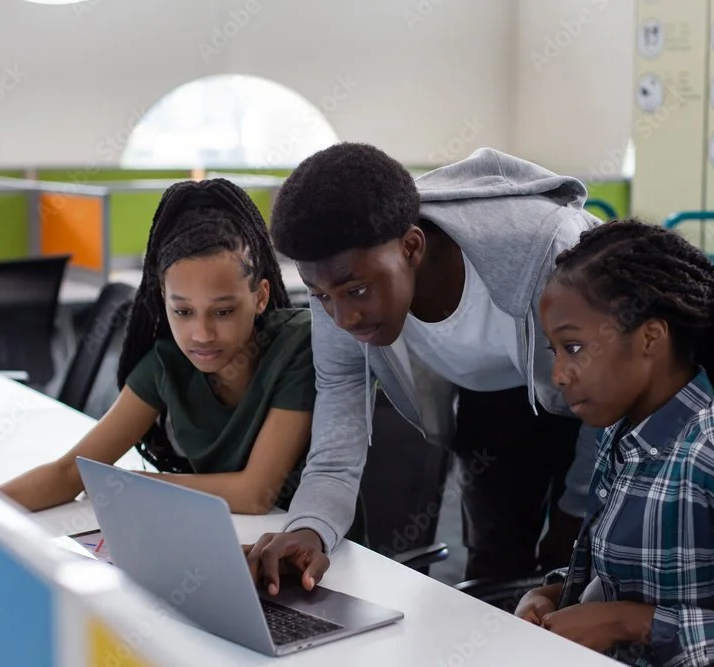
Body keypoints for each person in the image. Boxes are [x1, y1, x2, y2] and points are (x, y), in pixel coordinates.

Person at [244, 142, 604, 593]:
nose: (343, 319)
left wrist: (576, 511)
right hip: (491, 394)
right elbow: (338, 443)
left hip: (594, 396)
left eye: (356, 291)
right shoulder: (334, 278)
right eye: (320, 296)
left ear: (412, 247)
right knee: (498, 573)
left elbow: (612, 396)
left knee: (582, 563)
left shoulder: (546, 252)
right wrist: (307, 530)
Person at [515, 219, 714, 665]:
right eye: (554, 352)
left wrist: (634, 622)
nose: (557, 375)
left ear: (650, 337)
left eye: (573, 347)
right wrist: (551, 592)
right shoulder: (621, 436)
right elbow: (622, 578)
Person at [0, 178, 316, 515]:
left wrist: (126, 485)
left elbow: (254, 494)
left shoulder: (296, 347)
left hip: (322, 552)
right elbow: (67, 473)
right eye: (183, 312)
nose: (202, 333)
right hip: (227, 536)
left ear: (260, 296)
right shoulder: (166, 364)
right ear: (163, 299)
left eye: (223, 311)